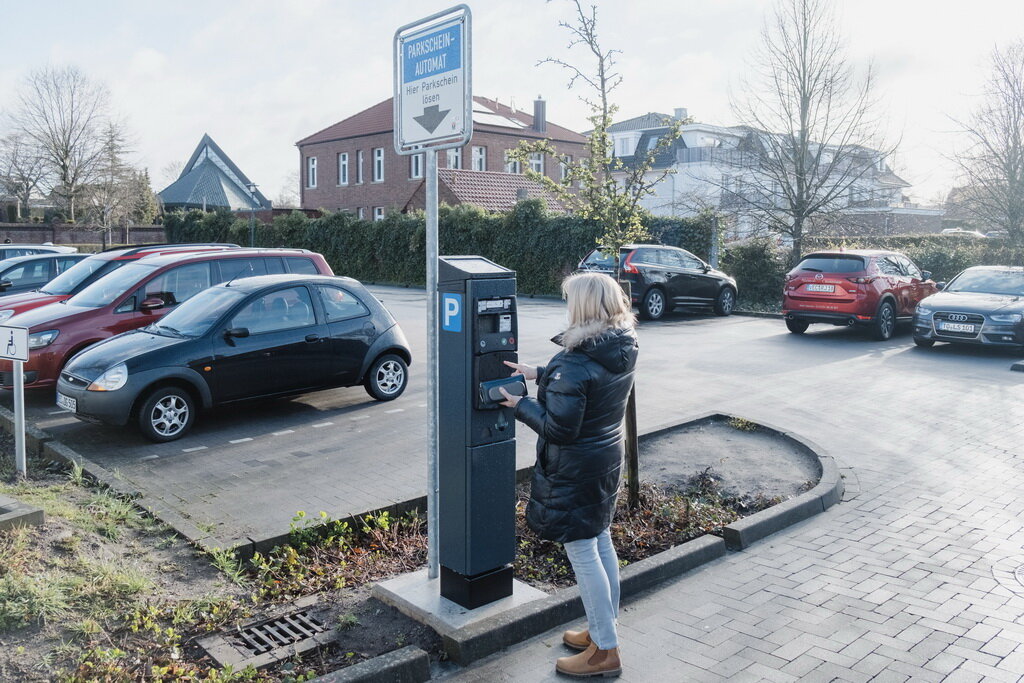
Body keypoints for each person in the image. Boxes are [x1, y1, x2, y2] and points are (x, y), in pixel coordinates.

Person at [499, 271, 638, 678]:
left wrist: (519, 404)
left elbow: (560, 427)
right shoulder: (621, 345)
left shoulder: (576, 361)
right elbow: (590, 384)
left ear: (582, 306)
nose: (566, 305)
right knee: (600, 538)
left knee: (581, 548)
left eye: (569, 299)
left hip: (576, 467)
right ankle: (603, 629)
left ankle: (605, 652)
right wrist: (539, 372)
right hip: (606, 457)